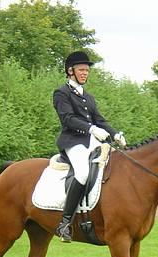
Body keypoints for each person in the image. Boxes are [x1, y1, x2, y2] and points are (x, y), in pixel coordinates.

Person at [53, 51, 127, 243]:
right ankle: (65, 223)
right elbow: (68, 119)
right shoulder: (62, 93)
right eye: (81, 70)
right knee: (83, 173)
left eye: (87, 70)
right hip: (72, 142)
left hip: (91, 142)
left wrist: (115, 133)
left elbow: (99, 120)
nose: (85, 73)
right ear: (71, 71)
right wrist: (91, 128)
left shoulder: (89, 97)